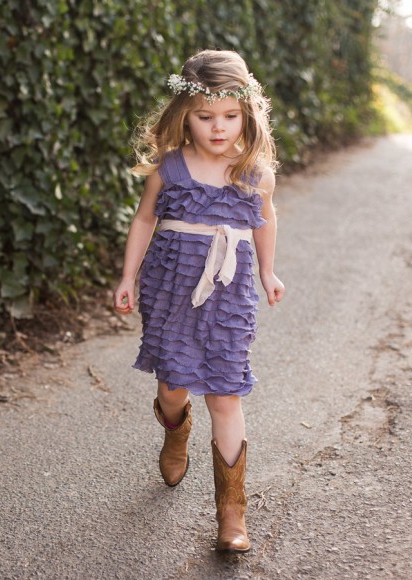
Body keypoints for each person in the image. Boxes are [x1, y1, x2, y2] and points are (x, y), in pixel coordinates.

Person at [113, 49, 284, 553]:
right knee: (173, 385)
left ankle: (231, 513)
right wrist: (128, 276)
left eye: (230, 117)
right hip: (169, 288)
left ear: (247, 114)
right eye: (206, 117)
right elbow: (145, 219)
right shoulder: (169, 167)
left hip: (228, 295)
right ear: (184, 115)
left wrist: (269, 272)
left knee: (225, 393)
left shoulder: (255, 173)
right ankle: (175, 427)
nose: (219, 128)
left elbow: (264, 220)